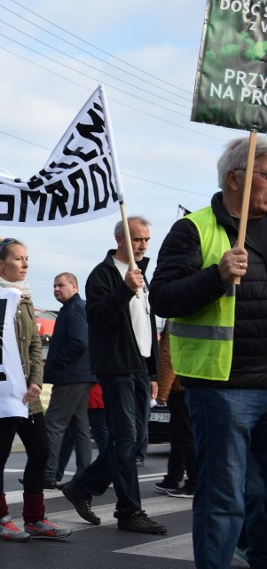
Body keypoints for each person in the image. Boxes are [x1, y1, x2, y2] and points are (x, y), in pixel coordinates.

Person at [149, 136, 267, 568]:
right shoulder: (194, 229)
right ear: (236, 179)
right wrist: (215, 276)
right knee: (223, 497)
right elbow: (161, 298)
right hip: (222, 388)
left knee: (262, 497)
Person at [60, 216, 166, 535]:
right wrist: (124, 290)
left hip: (138, 366)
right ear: (119, 239)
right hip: (115, 367)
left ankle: (82, 486)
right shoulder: (103, 274)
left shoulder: (142, 275)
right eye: (137, 239)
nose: (143, 245)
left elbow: (147, 325)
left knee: (131, 441)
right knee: (126, 440)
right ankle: (129, 510)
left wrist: (153, 372)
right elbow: (98, 319)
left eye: (147, 239)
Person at [0, 239, 70, 541]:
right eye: (18, 259)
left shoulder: (26, 298)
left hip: (28, 396)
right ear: (1, 265)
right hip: (0, 395)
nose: (26, 264)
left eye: (27, 258)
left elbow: (33, 345)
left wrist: (36, 381)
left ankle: (34, 518)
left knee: (40, 452)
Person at [42, 272, 95, 489]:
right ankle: (84, 476)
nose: (56, 289)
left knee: (53, 424)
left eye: (61, 285)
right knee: (80, 428)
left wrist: (55, 361)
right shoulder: (73, 308)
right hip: (79, 376)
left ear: (74, 286)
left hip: (71, 377)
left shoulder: (75, 309)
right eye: (54, 285)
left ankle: (47, 475)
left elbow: (79, 342)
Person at [153, 321, 196, 498]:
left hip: (180, 385)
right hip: (183, 384)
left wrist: (162, 392)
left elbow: (169, 356)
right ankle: (173, 478)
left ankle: (194, 483)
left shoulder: (177, 317)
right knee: (178, 435)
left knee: (186, 436)